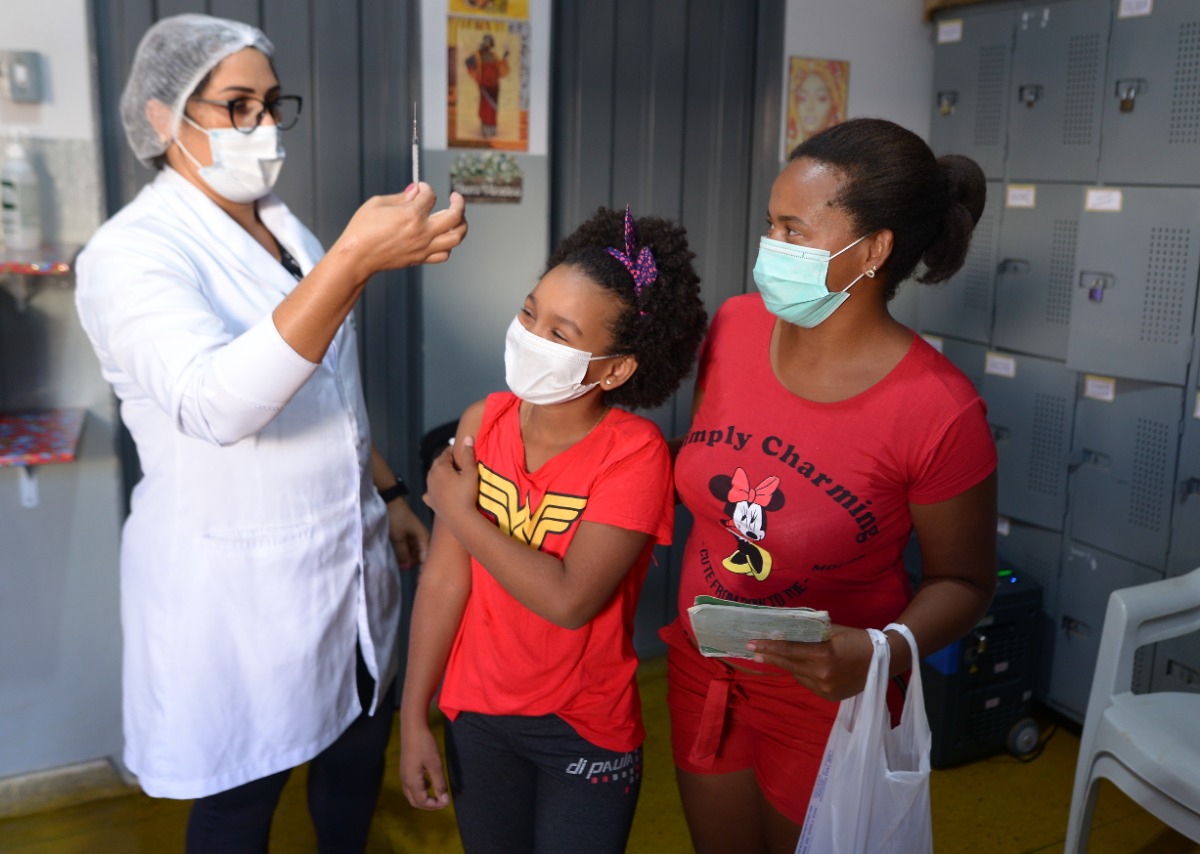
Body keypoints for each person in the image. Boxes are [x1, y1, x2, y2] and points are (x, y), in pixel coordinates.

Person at [73, 14, 466, 853]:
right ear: (161, 117)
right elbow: (217, 404)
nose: (259, 124)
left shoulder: (285, 232)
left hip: (347, 555)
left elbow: (328, 397)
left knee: (355, 756)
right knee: (241, 802)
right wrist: (350, 265)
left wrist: (389, 489)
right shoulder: (131, 254)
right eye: (235, 105)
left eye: (270, 104)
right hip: (237, 589)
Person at [663, 117, 998, 854]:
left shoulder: (938, 410)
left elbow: (965, 581)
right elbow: (711, 460)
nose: (769, 250)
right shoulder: (735, 327)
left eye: (793, 229)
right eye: (769, 225)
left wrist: (884, 648)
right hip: (705, 671)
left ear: (873, 250)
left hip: (830, 698)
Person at [399, 207, 708, 853]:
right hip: (477, 715)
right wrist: (413, 717)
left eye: (561, 334)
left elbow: (570, 600)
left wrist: (457, 510)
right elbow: (445, 580)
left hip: (582, 726)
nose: (531, 336)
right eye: (530, 312)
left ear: (614, 369)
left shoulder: (634, 452)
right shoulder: (483, 417)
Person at [785, 59, 846, 153]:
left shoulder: (840, 157)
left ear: (834, 104)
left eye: (821, 98)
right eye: (802, 98)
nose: (810, 108)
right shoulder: (794, 156)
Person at [465, 34, 510, 138]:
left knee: (493, 110)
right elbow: (468, 63)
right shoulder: (478, 55)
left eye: (489, 42)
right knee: (485, 109)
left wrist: (505, 56)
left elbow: (500, 69)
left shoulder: (493, 55)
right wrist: (477, 77)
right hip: (485, 86)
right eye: (486, 42)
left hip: (494, 87)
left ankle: (492, 130)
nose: (487, 44)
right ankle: (485, 130)